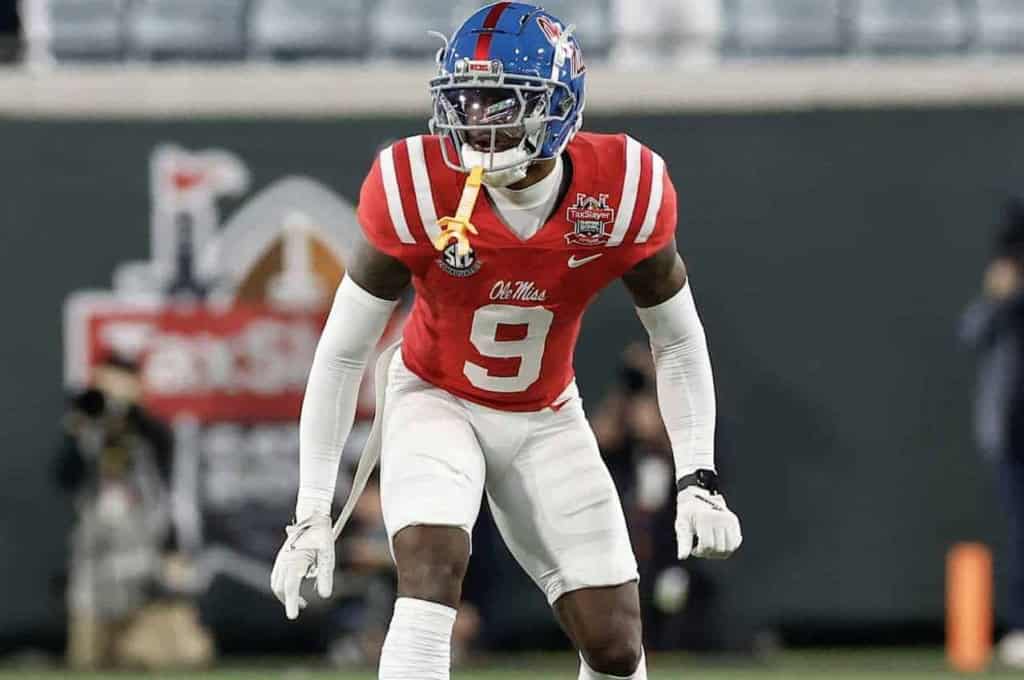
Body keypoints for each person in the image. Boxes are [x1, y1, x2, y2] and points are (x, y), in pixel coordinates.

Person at [271, 4, 743, 679]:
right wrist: (313, 508)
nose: (477, 121)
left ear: (559, 107)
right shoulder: (414, 183)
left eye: (501, 103)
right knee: (431, 568)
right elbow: (344, 349)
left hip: (545, 412)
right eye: (466, 100)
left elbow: (675, 338)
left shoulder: (625, 187)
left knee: (614, 645)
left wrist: (698, 477)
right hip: (436, 397)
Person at [57, 355, 213, 670]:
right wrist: (82, 431)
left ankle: (140, 641)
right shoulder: (89, 428)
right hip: (96, 561)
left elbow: (175, 494)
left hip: (146, 557)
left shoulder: (153, 432)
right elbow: (65, 478)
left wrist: (174, 549)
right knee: (88, 659)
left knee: (179, 655)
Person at [961, 199, 1024, 669]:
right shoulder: (1004, 302)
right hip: (1014, 435)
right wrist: (1001, 295)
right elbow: (972, 331)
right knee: (1019, 532)